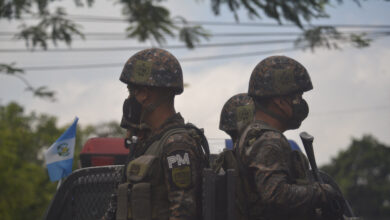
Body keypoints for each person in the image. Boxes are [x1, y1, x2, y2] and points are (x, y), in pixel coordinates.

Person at [103, 48, 209, 220]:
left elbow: (182, 214)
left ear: (144, 94)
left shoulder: (176, 144)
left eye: (132, 91)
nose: (129, 99)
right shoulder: (147, 144)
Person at [236, 55, 344, 220]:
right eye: (298, 97)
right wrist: (322, 192)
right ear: (280, 101)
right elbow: (276, 195)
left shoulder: (251, 134)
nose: (301, 103)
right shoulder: (269, 141)